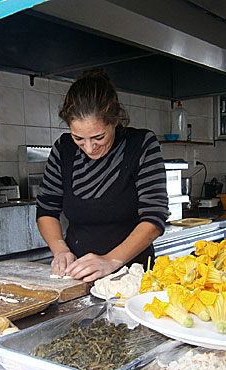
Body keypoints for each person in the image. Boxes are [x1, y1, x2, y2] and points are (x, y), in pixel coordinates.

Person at [36, 70, 169, 282]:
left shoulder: (141, 144)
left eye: (99, 137)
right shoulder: (64, 149)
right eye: (78, 138)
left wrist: (110, 261)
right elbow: (46, 209)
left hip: (132, 275)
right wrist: (60, 250)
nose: (89, 148)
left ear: (115, 120)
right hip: (77, 274)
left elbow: (155, 217)